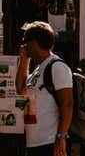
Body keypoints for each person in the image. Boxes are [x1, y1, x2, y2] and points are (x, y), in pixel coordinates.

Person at [15, 22, 73, 156]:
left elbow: (67, 104)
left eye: (26, 41)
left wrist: (61, 137)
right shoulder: (38, 68)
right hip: (34, 142)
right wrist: (24, 60)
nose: (24, 45)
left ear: (34, 43)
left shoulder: (57, 67)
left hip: (50, 143)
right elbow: (21, 89)